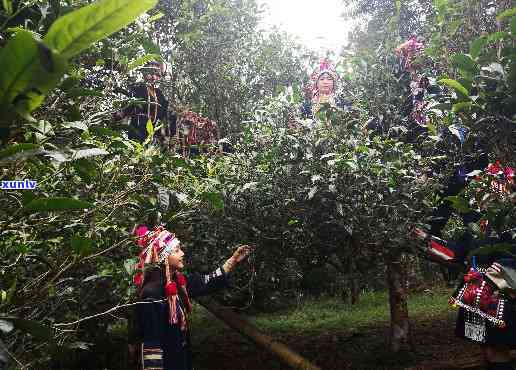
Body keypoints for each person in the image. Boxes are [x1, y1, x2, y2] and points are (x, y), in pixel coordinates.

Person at [412, 162, 516, 370]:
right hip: (476, 295)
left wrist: (505, 272)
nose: (487, 197)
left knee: (500, 349)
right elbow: (457, 253)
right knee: (486, 349)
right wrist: (426, 239)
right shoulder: (477, 225)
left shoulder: (511, 222)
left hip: (503, 293)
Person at [128, 225, 252, 370]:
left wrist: (234, 259)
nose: (182, 253)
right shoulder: (152, 293)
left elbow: (207, 281)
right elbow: (151, 343)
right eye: (176, 250)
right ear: (164, 257)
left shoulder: (177, 282)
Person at [114, 60, 175, 145]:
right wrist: (119, 114)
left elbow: (165, 113)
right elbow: (129, 106)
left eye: (157, 75)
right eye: (150, 73)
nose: (153, 77)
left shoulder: (159, 94)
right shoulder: (138, 87)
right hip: (137, 127)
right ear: (144, 74)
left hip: (152, 130)